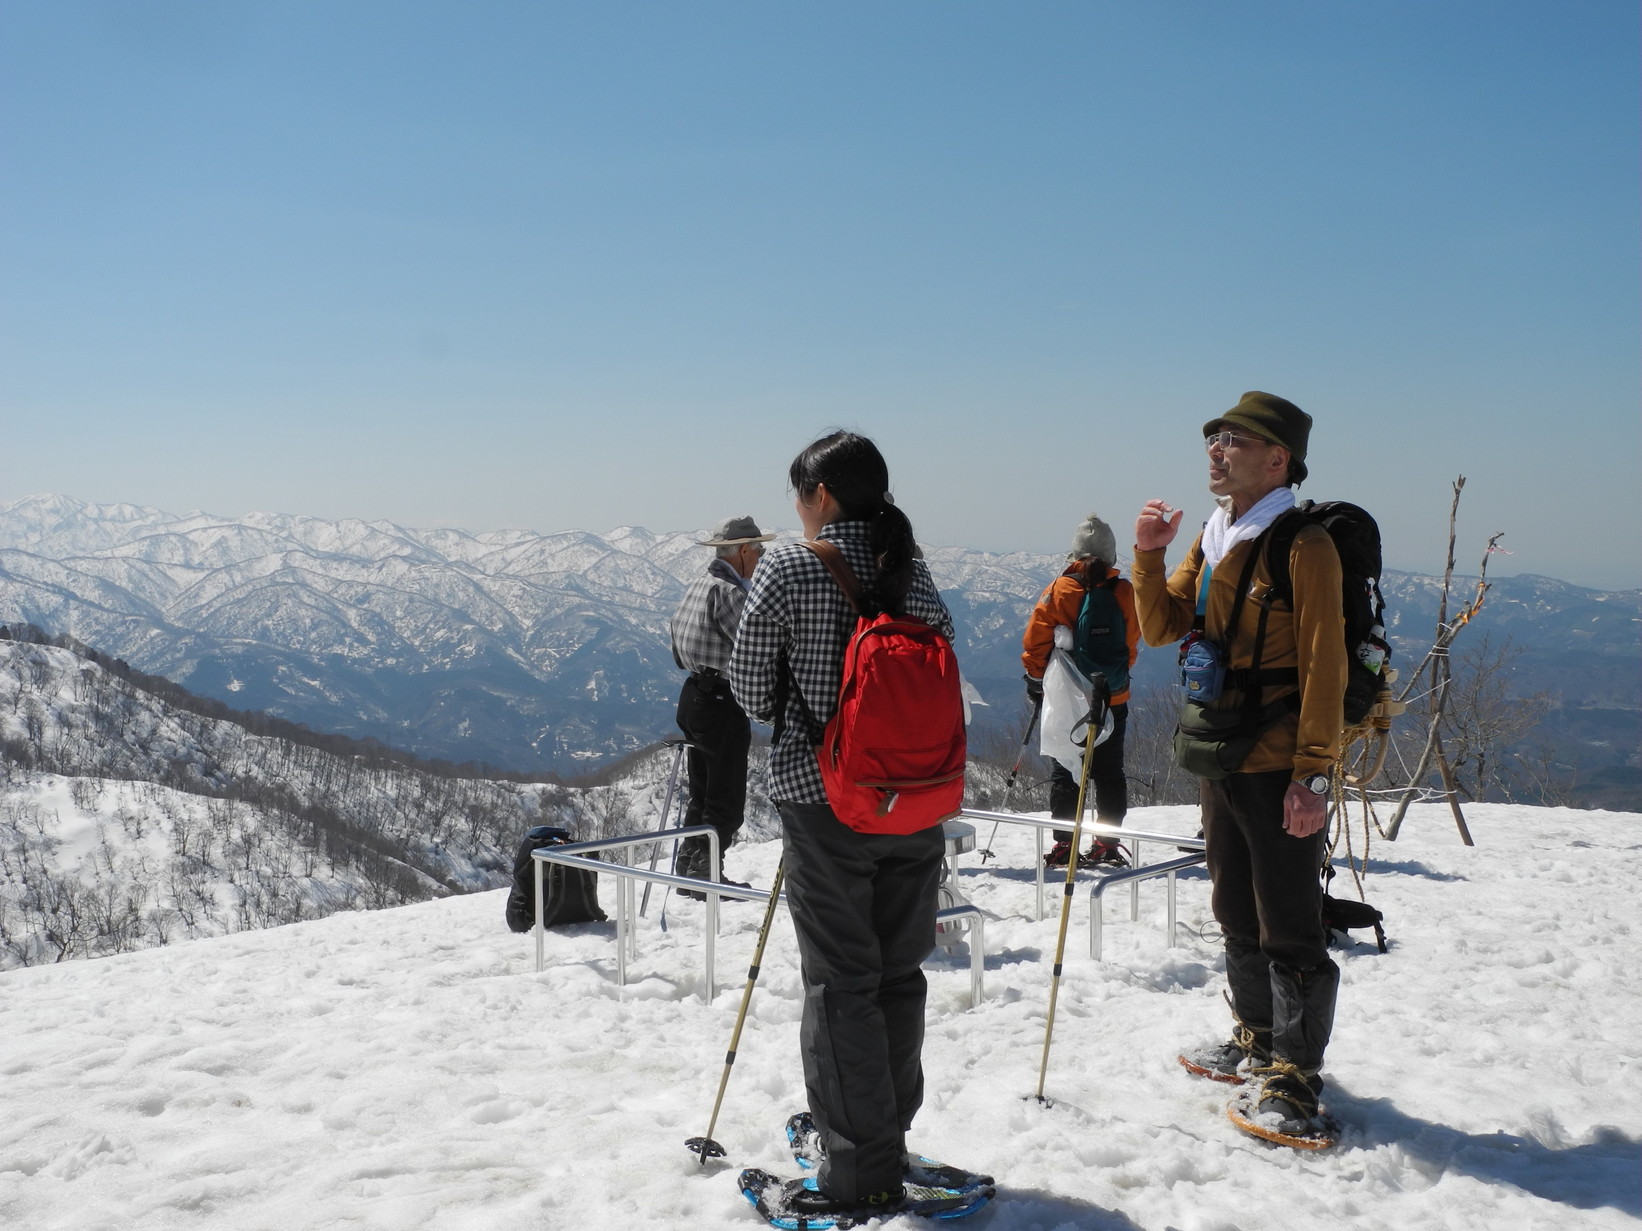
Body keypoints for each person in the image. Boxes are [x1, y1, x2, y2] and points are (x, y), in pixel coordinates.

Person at [729, 431, 959, 1221]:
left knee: (840, 983)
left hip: (824, 802)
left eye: (799, 495)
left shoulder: (792, 567)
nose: (797, 510)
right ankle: (884, 1134)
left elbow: (753, 687)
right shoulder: (911, 568)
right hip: (915, 800)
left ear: (821, 495)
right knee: (898, 972)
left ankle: (858, 1170)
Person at [1130, 391, 1347, 1137]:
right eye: (1214, 438)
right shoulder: (1220, 533)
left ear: (1278, 457)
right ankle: (1257, 1038)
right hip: (1221, 748)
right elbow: (1160, 626)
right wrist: (1151, 554)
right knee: (1234, 904)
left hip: (1280, 758)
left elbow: (1326, 665)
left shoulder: (1302, 544)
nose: (1216, 450)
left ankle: (1295, 1076)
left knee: (1288, 917)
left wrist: (1315, 774)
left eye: (1235, 440)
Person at [1021, 513, 1139, 868]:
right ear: (1112, 555)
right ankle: (1106, 843)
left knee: (1066, 770)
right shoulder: (1124, 591)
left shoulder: (1059, 590)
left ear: (1075, 554)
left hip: (1068, 701)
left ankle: (1064, 846)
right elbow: (1131, 644)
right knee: (1110, 773)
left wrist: (1037, 682)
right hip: (1112, 696)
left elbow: (1034, 644)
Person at [668, 515, 773, 899]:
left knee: (703, 788)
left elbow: (676, 644)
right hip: (721, 700)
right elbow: (758, 645)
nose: (761, 556)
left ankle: (689, 867)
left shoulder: (698, 585)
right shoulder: (731, 593)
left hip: (694, 694)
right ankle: (707, 872)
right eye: (759, 548)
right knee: (725, 795)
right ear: (744, 551)